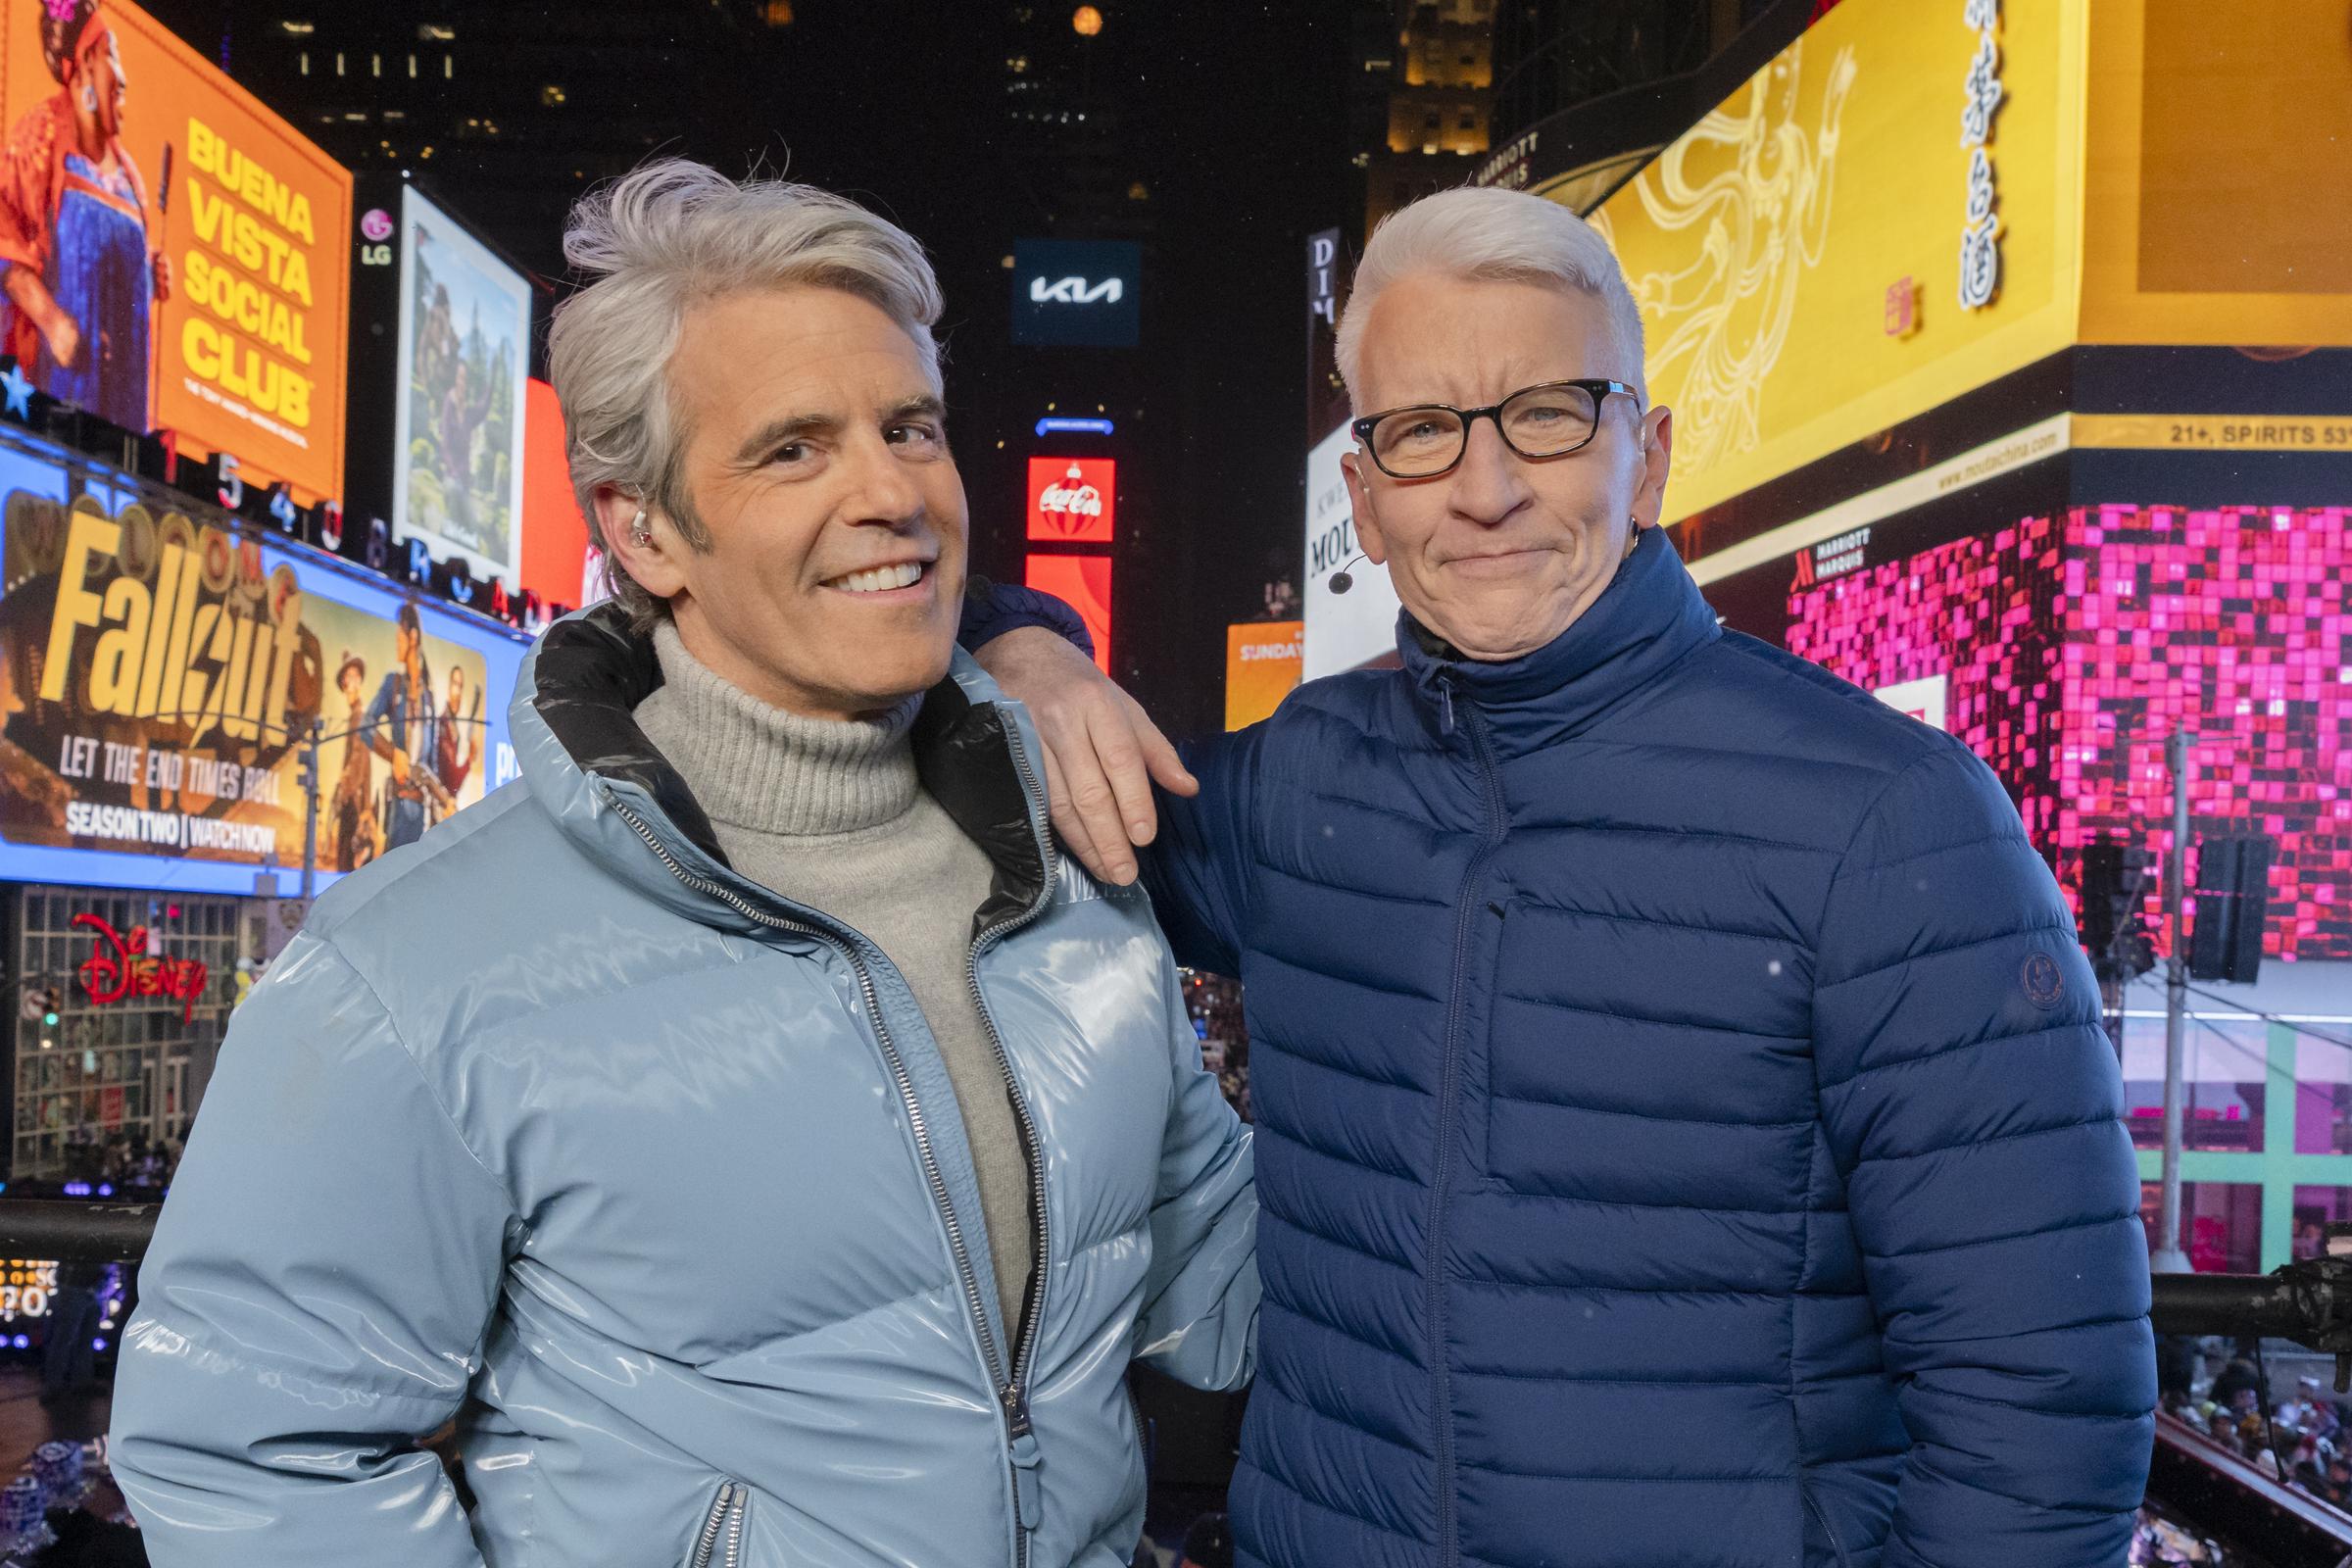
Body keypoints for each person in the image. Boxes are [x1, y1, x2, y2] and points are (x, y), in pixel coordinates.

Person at [973, 185, 2155, 1566]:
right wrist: (1028, 648)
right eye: (1422, 432)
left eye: (1549, 412)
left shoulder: (1892, 822)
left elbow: (2043, 1413)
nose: (1485, 490)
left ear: (1645, 460)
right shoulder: (1302, 782)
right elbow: (1019, 762)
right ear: (1363, 494)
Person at [107, 159, 1256, 1568]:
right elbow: (246, 1452)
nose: (890, 491)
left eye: (911, 428)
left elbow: (1232, 1292)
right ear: (642, 528)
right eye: (793, 448)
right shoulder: (408, 969)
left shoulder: (1081, 882)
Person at [0, 0, 170, 430]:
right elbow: (7, 243)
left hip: (121, 408)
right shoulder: (39, 136)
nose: (124, 77)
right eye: (112, 53)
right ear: (85, 64)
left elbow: (114, 275)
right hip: (58, 393)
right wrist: (52, 321)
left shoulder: (129, 175)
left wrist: (149, 275)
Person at [363, 602, 442, 849]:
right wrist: (393, 753)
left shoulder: (428, 697)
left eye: (400, 636)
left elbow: (433, 761)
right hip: (398, 806)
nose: (397, 642)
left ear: (413, 636)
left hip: (424, 813)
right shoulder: (393, 685)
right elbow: (365, 726)